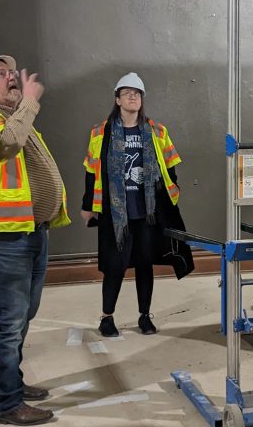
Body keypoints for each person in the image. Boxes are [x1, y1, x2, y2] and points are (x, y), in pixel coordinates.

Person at [0, 52, 70, 426]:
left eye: (11, 72)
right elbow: (5, 147)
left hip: (30, 233)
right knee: (8, 322)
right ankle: (6, 404)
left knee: (23, 316)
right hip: (4, 239)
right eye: (0, 74)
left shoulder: (13, 118)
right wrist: (30, 101)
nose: (10, 77)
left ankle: (14, 383)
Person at [81, 72, 194, 338]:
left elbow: (170, 167)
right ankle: (106, 318)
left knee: (145, 264)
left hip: (147, 212)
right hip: (114, 212)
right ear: (117, 99)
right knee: (114, 266)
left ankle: (145, 316)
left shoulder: (156, 130)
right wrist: (88, 205)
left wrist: (172, 194)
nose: (133, 97)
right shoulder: (101, 132)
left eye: (138, 93)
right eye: (128, 93)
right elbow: (91, 171)